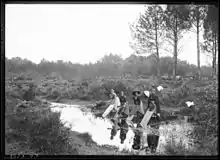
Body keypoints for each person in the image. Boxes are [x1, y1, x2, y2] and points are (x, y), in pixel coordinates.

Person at [143, 86, 162, 154]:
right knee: (149, 131)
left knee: (156, 131)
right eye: (152, 91)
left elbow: (158, 106)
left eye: (154, 91)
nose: (153, 92)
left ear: (155, 92)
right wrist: (146, 115)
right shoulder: (149, 98)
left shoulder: (156, 97)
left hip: (156, 116)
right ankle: (149, 145)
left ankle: (154, 147)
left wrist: (158, 113)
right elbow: (148, 106)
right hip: (150, 115)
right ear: (151, 91)